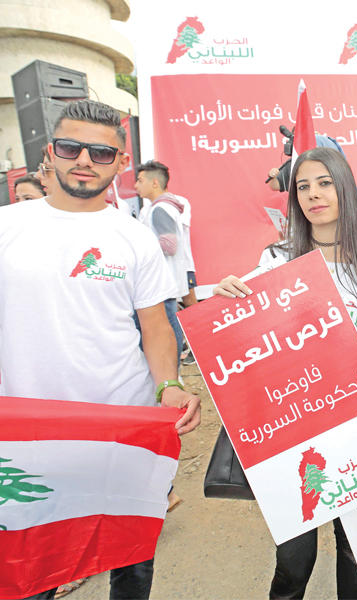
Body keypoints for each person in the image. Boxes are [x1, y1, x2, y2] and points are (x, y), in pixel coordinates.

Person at [0, 99, 200, 600]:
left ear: (120, 162)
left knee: (130, 556)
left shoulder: (134, 237)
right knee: (29, 568)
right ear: (50, 152)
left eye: (101, 152)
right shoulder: (9, 225)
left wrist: (170, 385)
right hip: (27, 434)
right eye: (71, 147)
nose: (84, 160)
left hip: (119, 427)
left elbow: (155, 326)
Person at [213, 147, 357, 600]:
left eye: (324, 183)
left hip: (354, 424)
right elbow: (242, 331)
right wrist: (224, 297)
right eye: (303, 186)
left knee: (353, 548)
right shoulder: (277, 260)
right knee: (295, 559)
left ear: (344, 189)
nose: (313, 194)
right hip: (291, 432)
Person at [134, 160, 192, 366]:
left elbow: (169, 245)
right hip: (165, 281)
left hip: (162, 282)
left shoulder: (160, 209)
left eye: (140, 181)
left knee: (168, 327)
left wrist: (140, 248)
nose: (135, 186)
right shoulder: (165, 207)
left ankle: (172, 370)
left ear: (155, 183)